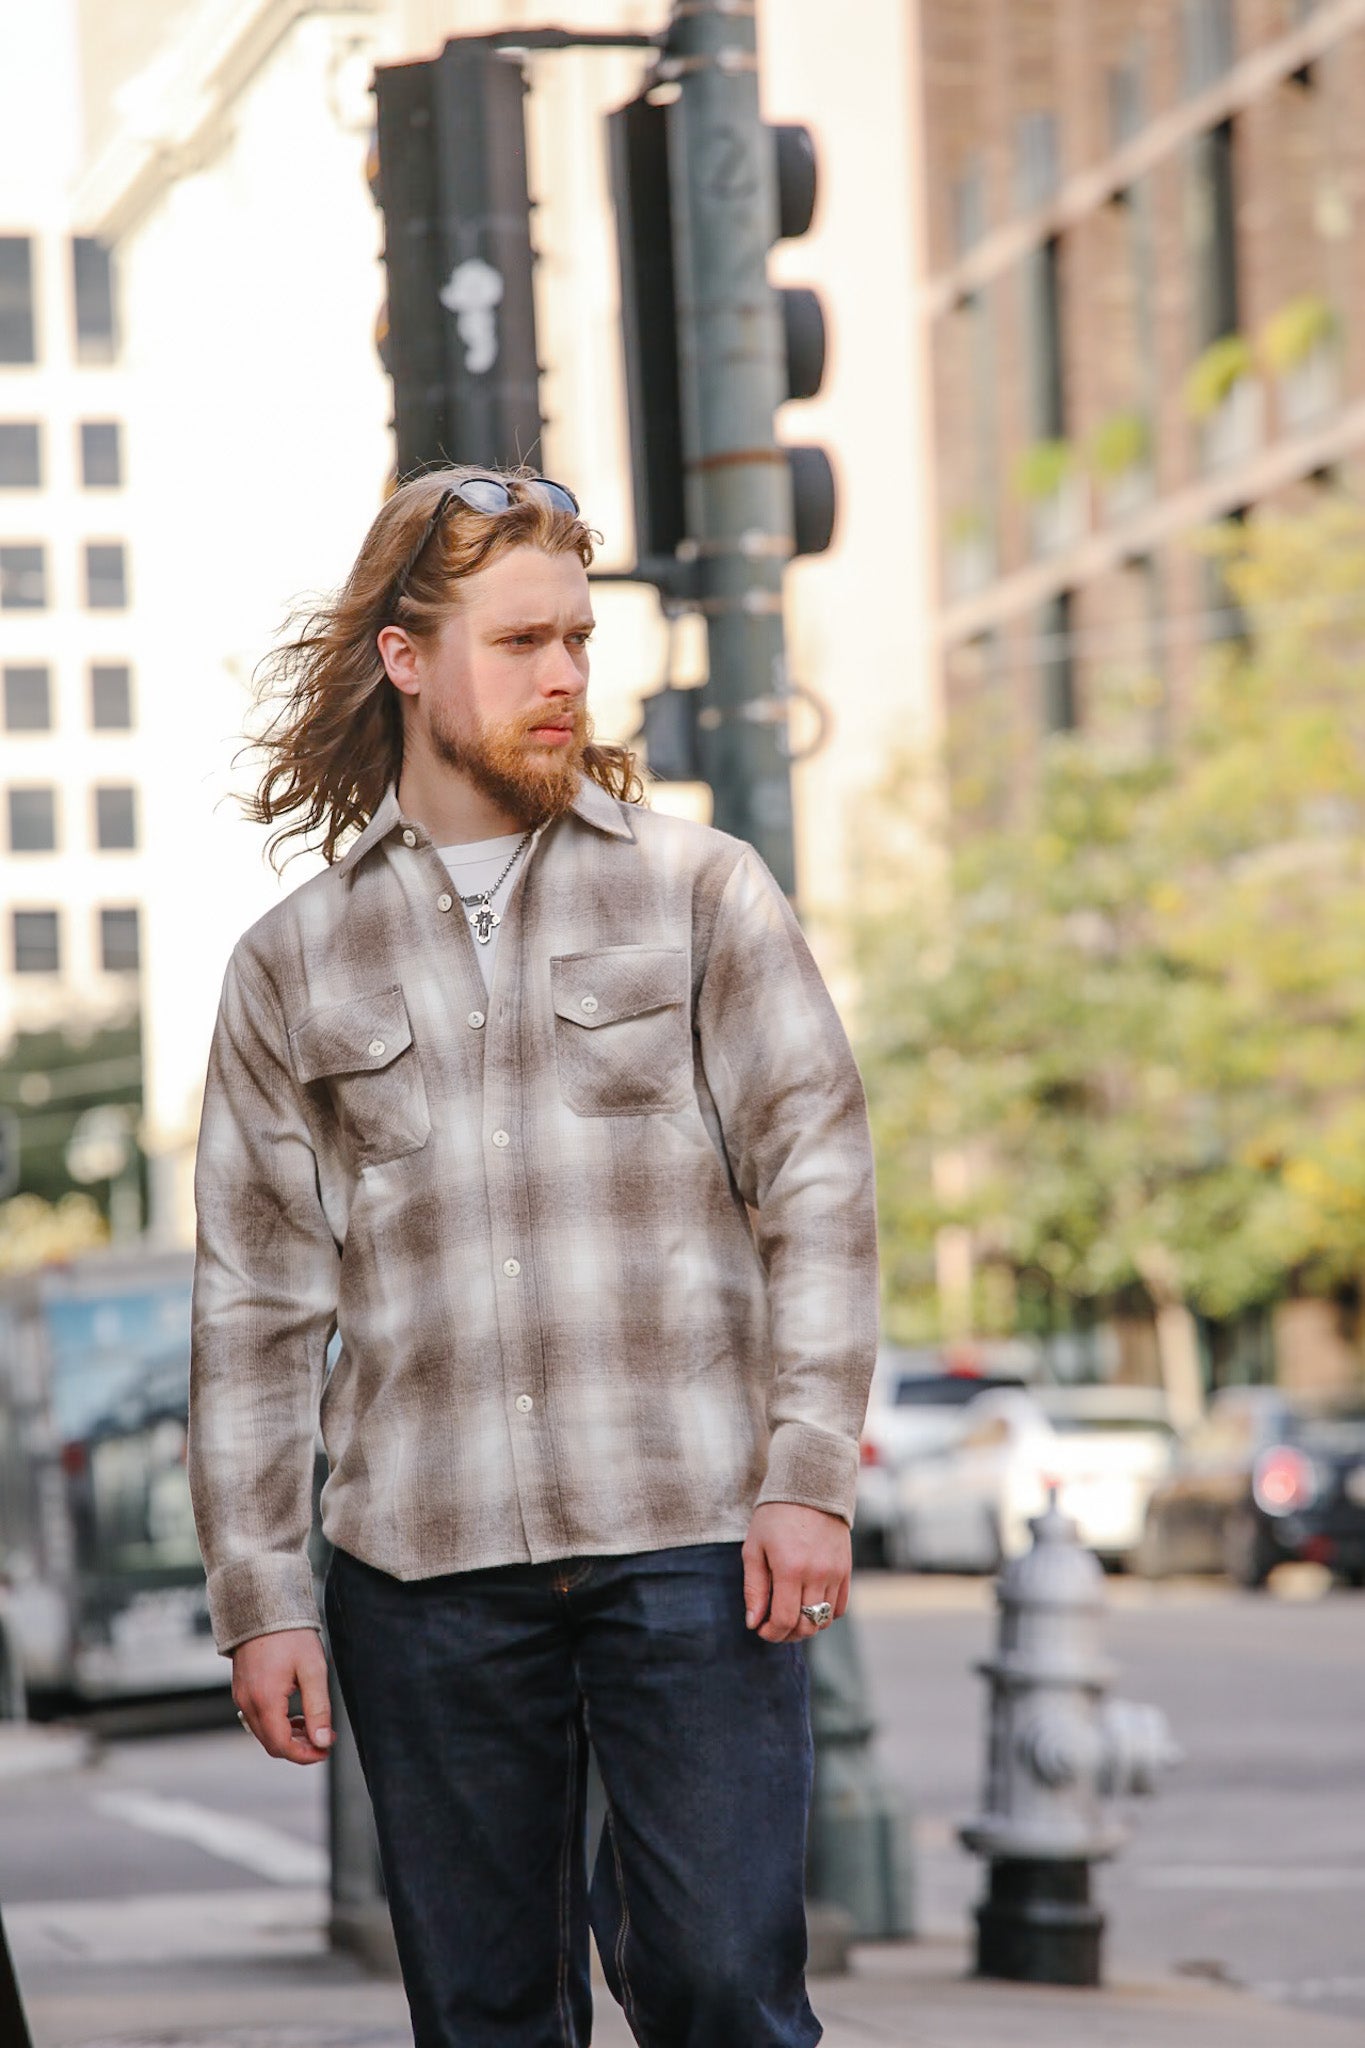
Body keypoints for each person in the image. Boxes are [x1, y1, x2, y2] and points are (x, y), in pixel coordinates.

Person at [189, 466, 878, 2048]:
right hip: (419, 1567)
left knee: (718, 1986)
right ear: (407, 659)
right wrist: (261, 1594)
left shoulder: (700, 890)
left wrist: (805, 1473)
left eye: (577, 638)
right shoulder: (291, 963)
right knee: (487, 2018)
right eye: (520, 643)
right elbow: (255, 1302)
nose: (565, 675)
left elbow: (819, 1184)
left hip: (692, 1533)